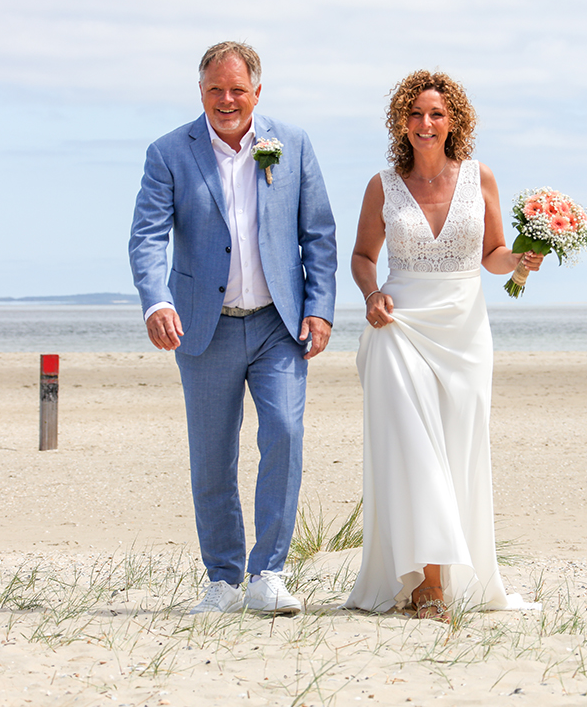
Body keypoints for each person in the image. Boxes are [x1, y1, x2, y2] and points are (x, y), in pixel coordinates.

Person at [129, 41, 337, 615]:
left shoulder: (291, 145)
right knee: (213, 456)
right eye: (216, 89)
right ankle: (222, 579)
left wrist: (319, 307)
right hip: (204, 328)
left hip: (278, 325)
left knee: (285, 436)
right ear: (200, 91)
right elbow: (147, 236)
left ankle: (269, 572)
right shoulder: (169, 152)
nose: (227, 100)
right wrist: (155, 302)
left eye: (238, 90)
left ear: (257, 93)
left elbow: (317, 233)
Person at [343, 70, 542, 621]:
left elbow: (495, 253)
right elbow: (361, 257)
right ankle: (428, 585)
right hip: (398, 327)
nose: (425, 124)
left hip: (463, 330)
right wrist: (372, 292)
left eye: (436, 114)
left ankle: (453, 574)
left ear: (453, 121)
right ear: (401, 123)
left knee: (458, 451)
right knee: (415, 450)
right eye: (415, 114)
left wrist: (522, 262)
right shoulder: (383, 185)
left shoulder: (481, 178)